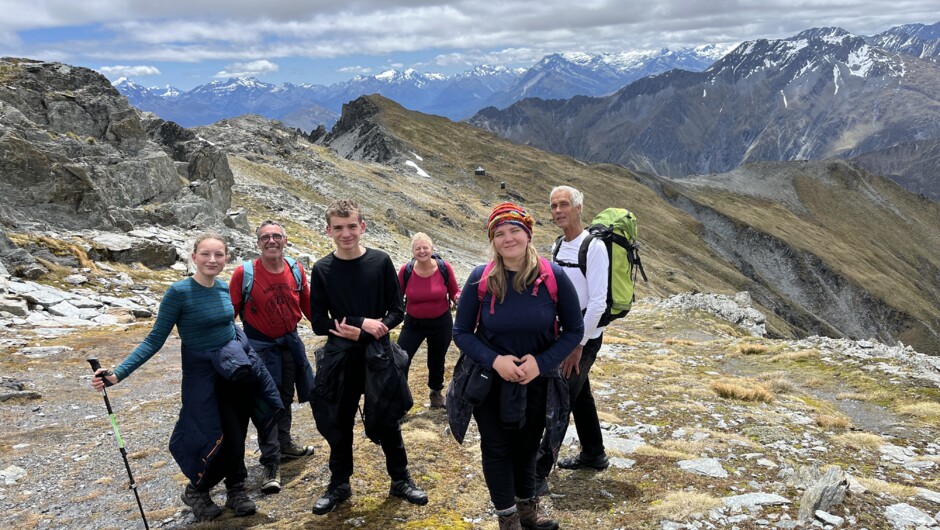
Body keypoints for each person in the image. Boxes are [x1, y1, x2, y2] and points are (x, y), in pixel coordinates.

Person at [90, 233, 283, 522]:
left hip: (232, 371)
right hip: (202, 375)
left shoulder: (221, 288)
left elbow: (230, 329)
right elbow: (154, 339)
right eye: (205, 254)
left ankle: (236, 489)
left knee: (236, 432)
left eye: (219, 255)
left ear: (226, 258)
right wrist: (118, 373)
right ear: (193, 257)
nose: (212, 260)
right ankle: (197, 490)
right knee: (209, 433)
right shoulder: (179, 293)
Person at [451, 202, 584, 530]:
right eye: (499, 233)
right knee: (496, 447)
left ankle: (528, 512)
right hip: (490, 380)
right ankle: (507, 518)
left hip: (537, 381)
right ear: (492, 240)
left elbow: (574, 331)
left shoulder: (554, 276)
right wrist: (496, 361)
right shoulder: (480, 279)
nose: (508, 238)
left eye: (515, 231)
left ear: (528, 234)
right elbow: (462, 332)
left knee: (527, 447)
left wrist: (541, 364)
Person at [307, 199, 428, 515]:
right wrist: (362, 324)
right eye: (338, 228)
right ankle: (339, 484)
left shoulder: (380, 261)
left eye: (351, 227)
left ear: (362, 227)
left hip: (379, 355)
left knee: (388, 418)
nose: (346, 234)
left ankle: (400, 480)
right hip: (340, 357)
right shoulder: (322, 269)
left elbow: (397, 310)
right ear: (328, 230)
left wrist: (379, 327)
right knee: (339, 421)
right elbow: (318, 321)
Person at [535, 186, 612, 496]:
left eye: (564, 204)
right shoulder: (557, 246)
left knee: (561, 397)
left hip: (584, 337)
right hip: (563, 333)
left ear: (579, 208)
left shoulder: (593, 247)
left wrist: (577, 345)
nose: (557, 210)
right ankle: (594, 454)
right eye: (553, 205)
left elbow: (597, 303)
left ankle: (538, 470)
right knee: (580, 395)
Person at [230, 220, 316, 495]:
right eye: (265, 237)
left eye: (276, 236)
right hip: (259, 350)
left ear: (285, 240)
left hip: (289, 344)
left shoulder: (295, 269)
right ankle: (270, 461)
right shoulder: (244, 273)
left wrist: (337, 328)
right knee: (266, 403)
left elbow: (308, 307)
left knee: (285, 396)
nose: (271, 241)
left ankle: (285, 444)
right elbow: (229, 315)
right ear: (258, 243)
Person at [397, 232, 461, 408]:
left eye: (425, 247)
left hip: (441, 322)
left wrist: (459, 298)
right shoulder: (406, 270)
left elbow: (454, 290)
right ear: (413, 251)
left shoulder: (443, 267)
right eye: (418, 248)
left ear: (432, 249)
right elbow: (396, 296)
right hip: (413, 324)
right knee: (401, 359)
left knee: (436, 359)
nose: (422, 251)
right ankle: (401, 397)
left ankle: (435, 392)